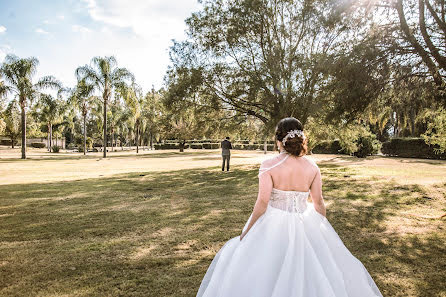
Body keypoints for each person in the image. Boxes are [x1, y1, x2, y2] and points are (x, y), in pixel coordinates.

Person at [197, 117, 383, 297]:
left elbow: (262, 203)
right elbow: (318, 202)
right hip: (305, 220)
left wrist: (248, 230)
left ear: (279, 140)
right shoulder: (312, 167)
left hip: (273, 223)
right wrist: (322, 229)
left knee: (266, 269)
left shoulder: (269, 165)